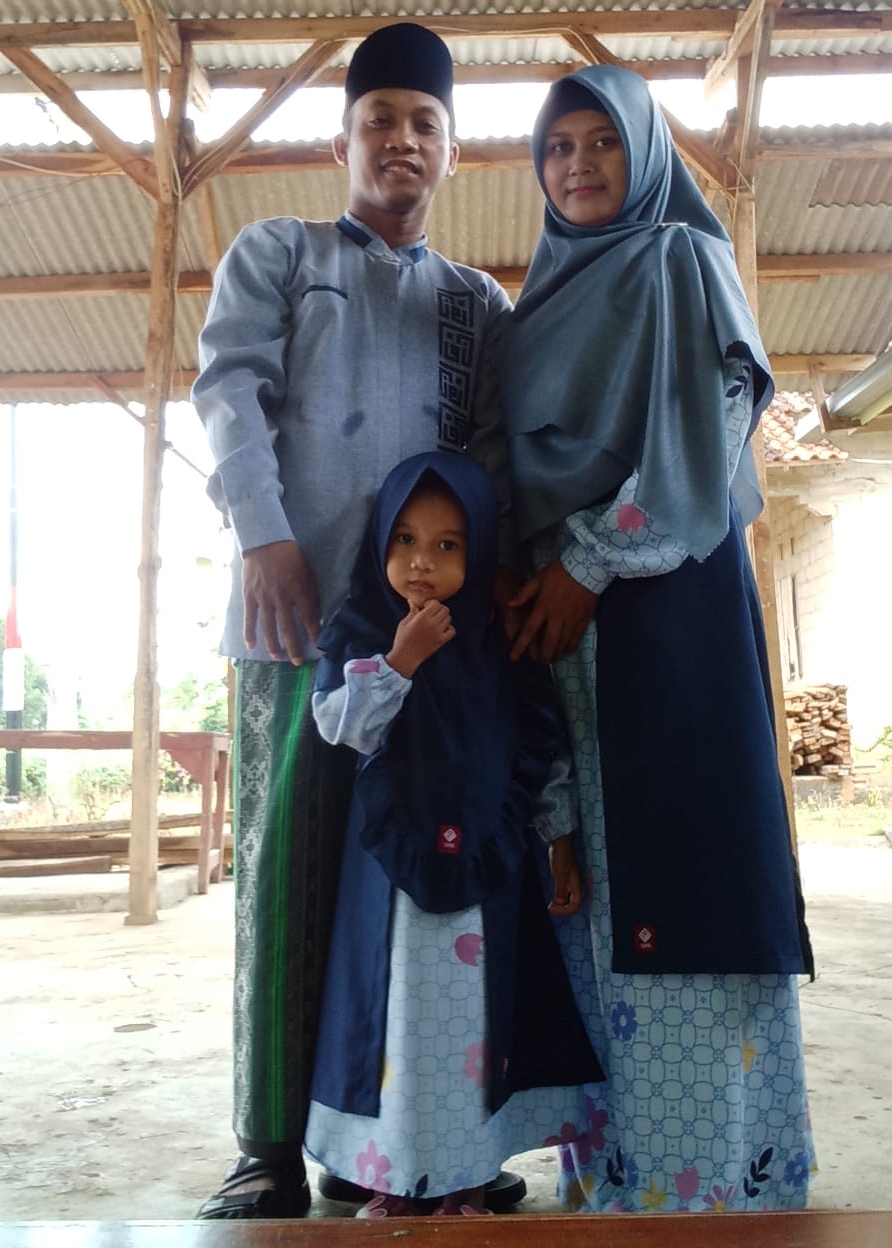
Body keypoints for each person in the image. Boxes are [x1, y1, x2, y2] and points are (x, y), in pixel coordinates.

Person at [191, 23, 520, 1220]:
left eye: (425, 123)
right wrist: (263, 536)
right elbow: (229, 386)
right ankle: (270, 1144)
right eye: (379, 119)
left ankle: (383, 1139)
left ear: (452, 152)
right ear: (343, 143)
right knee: (287, 883)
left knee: (407, 896)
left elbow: (491, 460)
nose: (401, 139)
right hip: (292, 625)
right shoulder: (280, 254)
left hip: (426, 651)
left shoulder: (476, 303)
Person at [499, 64, 815, 1215]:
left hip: (666, 617)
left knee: (685, 890)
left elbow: (715, 431)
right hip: (565, 649)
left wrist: (589, 561)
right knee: (588, 900)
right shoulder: (533, 308)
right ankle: (614, 1180)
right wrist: (544, 581)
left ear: (644, 153)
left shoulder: (683, 258)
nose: (578, 164)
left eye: (603, 141)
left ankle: (709, 1189)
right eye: (558, 146)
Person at [304, 450, 602, 1217]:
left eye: (447, 544)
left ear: (479, 550)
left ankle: (466, 1179)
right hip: (391, 882)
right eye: (404, 539)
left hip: (485, 876)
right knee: (397, 1025)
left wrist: (559, 837)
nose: (421, 563)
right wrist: (401, 659)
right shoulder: (364, 628)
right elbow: (343, 724)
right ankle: (393, 1180)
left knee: (473, 1031)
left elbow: (539, 748)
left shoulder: (499, 640)